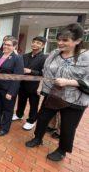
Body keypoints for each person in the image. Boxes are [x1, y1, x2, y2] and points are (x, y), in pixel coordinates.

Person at [25, 23, 89, 162]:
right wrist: (42, 87)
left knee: (68, 127)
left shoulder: (86, 57)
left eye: (65, 40)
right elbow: (46, 72)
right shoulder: (54, 54)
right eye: (59, 39)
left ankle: (62, 150)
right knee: (42, 119)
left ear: (78, 41)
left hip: (75, 101)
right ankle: (37, 138)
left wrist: (70, 82)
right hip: (52, 95)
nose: (60, 43)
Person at [0, 36, 24, 136]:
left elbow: (17, 77)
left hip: (8, 89)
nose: (6, 46)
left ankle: (5, 128)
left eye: (9, 45)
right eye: (4, 44)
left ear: (14, 46)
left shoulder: (18, 58)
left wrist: (11, 92)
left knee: (7, 110)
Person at [12, 36, 47, 130]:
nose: (35, 44)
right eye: (34, 42)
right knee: (21, 101)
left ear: (43, 46)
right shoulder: (25, 55)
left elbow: (43, 73)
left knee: (33, 104)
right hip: (22, 84)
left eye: (38, 43)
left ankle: (31, 121)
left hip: (34, 86)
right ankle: (19, 114)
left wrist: (30, 71)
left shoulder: (44, 58)